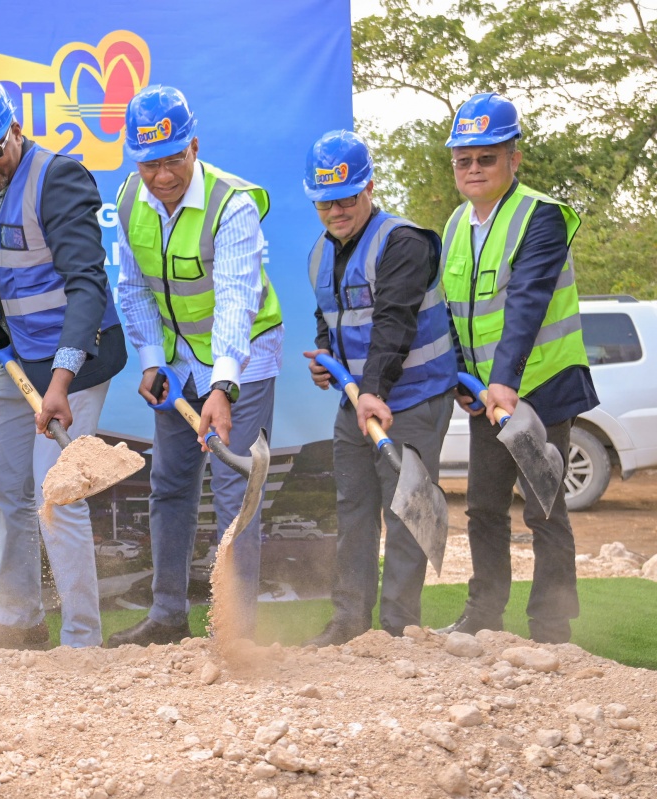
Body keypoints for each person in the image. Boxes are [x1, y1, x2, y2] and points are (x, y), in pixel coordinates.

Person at [0, 75, 126, 649]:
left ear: (16, 132)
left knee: (59, 491)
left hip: (77, 359)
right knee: (3, 482)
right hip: (19, 358)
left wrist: (63, 381)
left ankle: (81, 638)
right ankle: (21, 621)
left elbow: (87, 287)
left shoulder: (60, 178)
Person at [110, 85, 283, 648]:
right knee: (170, 483)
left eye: (173, 160)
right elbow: (134, 288)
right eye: (149, 162)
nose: (162, 176)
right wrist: (152, 361)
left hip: (243, 360)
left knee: (235, 488)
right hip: (179, 363)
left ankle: (235, 629)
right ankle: (167, 615)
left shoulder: (230, 203)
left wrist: (223, 384)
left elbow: (237, 296)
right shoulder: (130, 199)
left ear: (195, 147)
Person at [438, 93, 598, 644]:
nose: (474, 168)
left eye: (487, 157)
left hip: (542, 389)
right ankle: (484, 615)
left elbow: (527, 303)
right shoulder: (458, 223)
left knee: (544, 509)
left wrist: (503, 383)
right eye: (465, 159)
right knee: (483, 508)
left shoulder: (543, 216)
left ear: (514, 157)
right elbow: (453, 311)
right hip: (489, 394)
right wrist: (463, 378)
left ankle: (552, 626)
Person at [300, 130, 457, 646]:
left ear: (368, 188)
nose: (337, 210)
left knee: (407, 509)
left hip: (411, 399)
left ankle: (398, 626)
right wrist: (326, 360)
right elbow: (331, 320)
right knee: (354, 511)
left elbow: (394, 323)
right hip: (358, 405)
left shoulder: (404, 242)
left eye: (347, 197)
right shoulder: (319, 254)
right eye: (326, 201)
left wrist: (373, 389)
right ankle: (349, 621)